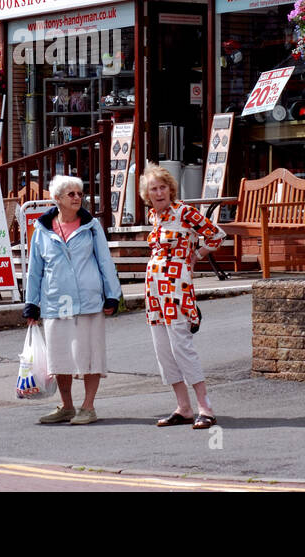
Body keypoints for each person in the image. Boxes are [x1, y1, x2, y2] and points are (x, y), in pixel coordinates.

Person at [23, 174, 122, 426]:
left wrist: (112, 294)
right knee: (60, 357)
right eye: (71, 194)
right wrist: (31, 303)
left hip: (88, 301)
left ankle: (88, 407)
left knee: (90, 355)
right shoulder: (42, 229)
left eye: (79, 193)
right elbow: (35, 269)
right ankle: (67, 406)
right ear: (57, 199)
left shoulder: (91, 226)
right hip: (56, 301)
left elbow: (104, 261)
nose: (77, 197)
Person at [140, 162, 227, 430]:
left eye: (162, 187)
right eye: (153, 189)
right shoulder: (154, 217)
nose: (158, 193)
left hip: (176, 287)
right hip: (154, 290)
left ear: (171, 188)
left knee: (181, 346)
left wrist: (196, 256)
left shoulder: (184, 212)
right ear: (147, 194)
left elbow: (215, 235)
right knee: (163, 350)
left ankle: (206, 407)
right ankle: (183, 407)